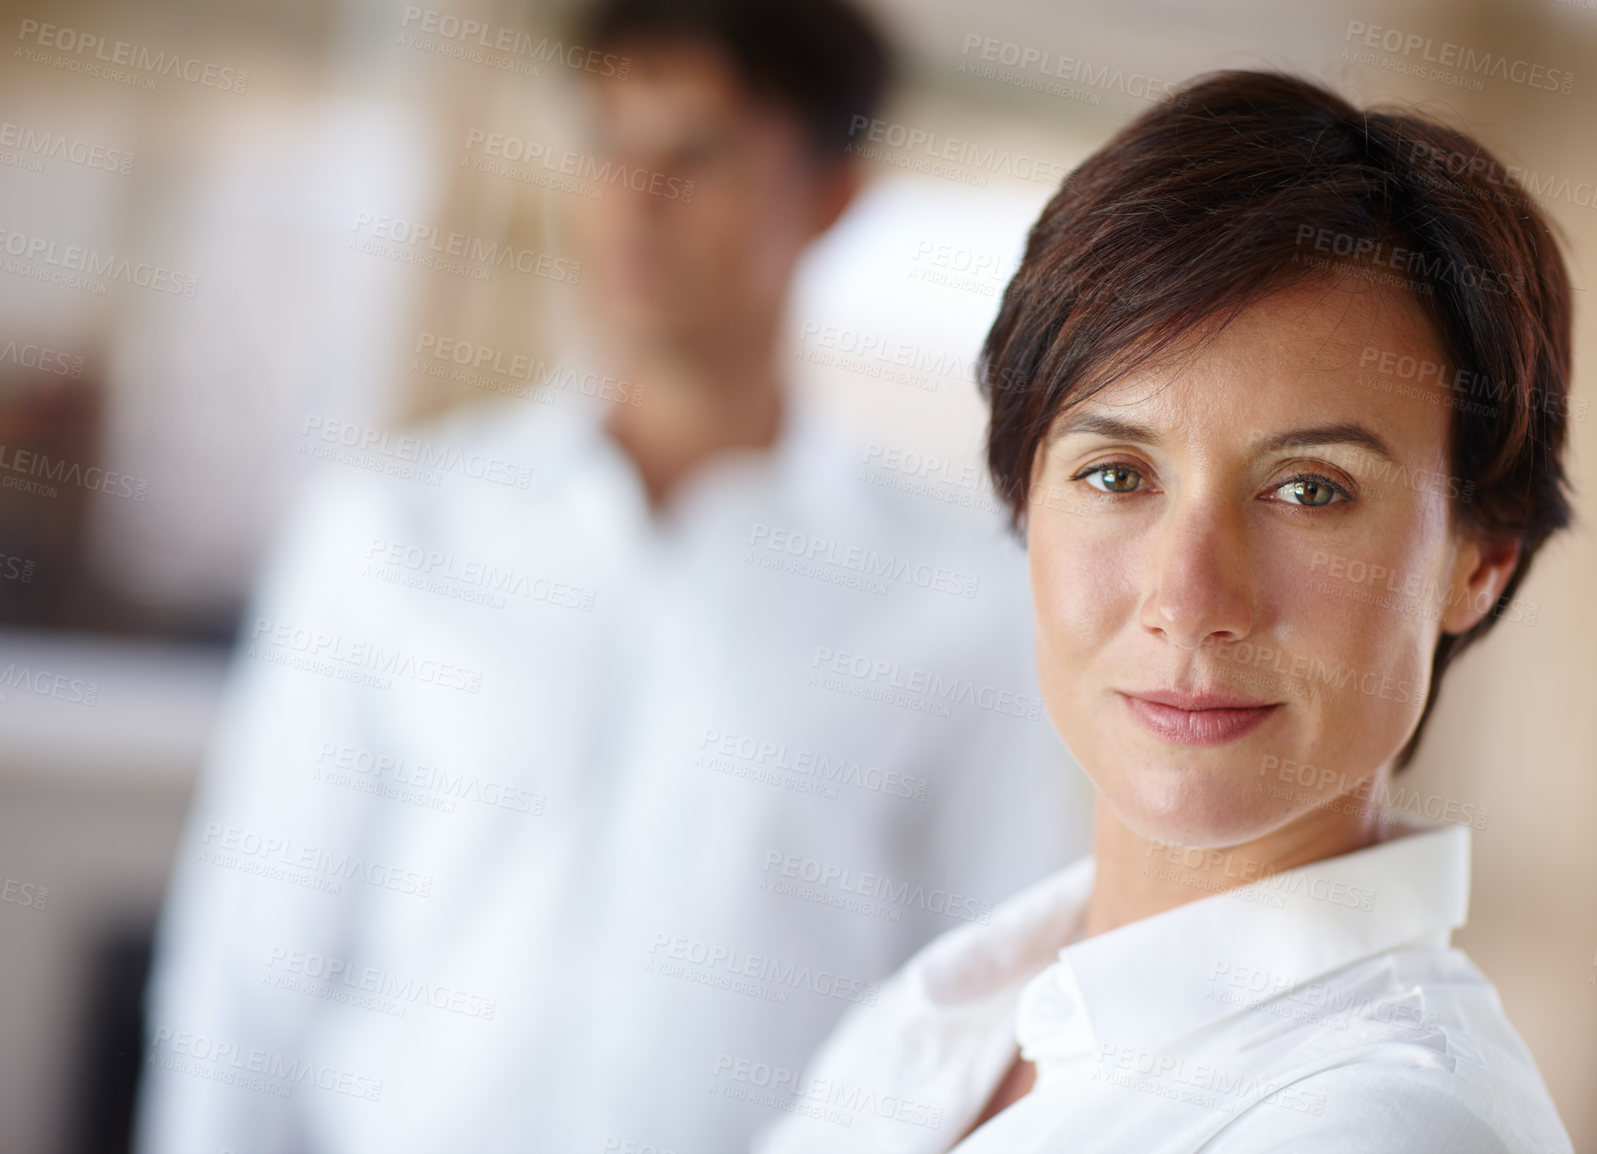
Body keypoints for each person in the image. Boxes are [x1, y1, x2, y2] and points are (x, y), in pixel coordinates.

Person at [134, 1, 1087, 1151]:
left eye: (695, 156)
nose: (633, 202)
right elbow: (248, 960)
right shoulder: (389, 532)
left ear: (831, 198)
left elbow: (990, 1001)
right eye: (607, 148)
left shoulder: (957, 594)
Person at [754, 70, 1577, 1153]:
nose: (1188, 599)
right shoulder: (948, 1014)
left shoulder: (1380, 1123)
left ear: (1482, 555)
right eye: (1115, 474)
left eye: (1309, 489)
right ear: (1020, 496)